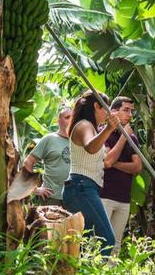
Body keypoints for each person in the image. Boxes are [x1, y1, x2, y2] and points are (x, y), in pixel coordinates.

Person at [62, 91, 120, 256]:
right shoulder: (85, 125)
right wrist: (109, 128)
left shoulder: (89, 127)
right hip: (82, 186)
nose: (108, 113)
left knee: (85, 242)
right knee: (107, 240)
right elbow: (90, 146)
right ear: (96, 106)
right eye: (106, 108)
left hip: (83, 187)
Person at [100, 96, 142, 255]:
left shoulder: (133, 139)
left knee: (116, 245)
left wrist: (115, 164)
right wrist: (124, 137)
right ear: (113, 112)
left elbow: (137, 167)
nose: (130, 115)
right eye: (126, 110)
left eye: (131, 111)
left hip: (124, 198)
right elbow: (108, 160)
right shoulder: (102, 133)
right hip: (104, 196)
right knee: (99, 241)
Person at [23, 107, 73, 206]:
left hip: (72, 198)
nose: (70, 120)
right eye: (67, 117)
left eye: (73, 117)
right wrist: (34, 189)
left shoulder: (77, 141)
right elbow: (28, 162)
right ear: (59, 121)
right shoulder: (49, 139)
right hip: (51, 197)